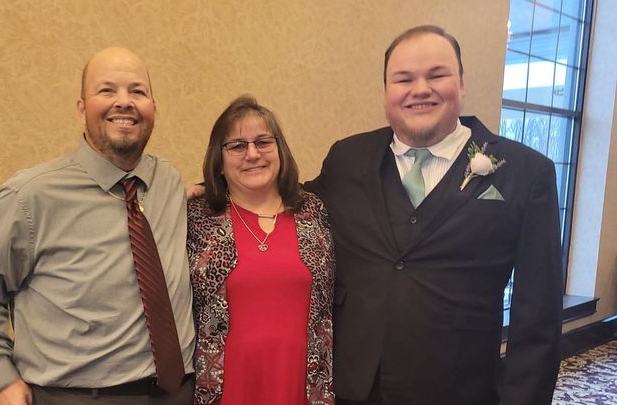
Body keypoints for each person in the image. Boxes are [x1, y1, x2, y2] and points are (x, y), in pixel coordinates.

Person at [304, 25, 563, 405]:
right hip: (354, 388)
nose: (420, 89)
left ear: (462, 84)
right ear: (387, 92)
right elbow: (289, 204)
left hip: (460, 390)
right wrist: (222, 185)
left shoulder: (527, 173)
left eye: (437, 75)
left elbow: (538, 317)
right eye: (403, 79)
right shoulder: (347, 158)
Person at [0, 47, 196, 405]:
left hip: (179, 393)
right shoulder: (30, 196)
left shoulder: (167, 182)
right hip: (77, 396)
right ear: (81, 109)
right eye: (107, 90)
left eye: (137, 91)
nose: (124, 102)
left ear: (153, 109)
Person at [188, 95, 336, 405]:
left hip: (303, 387)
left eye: (263, 142)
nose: (253, 154)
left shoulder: (312, 211)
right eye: (237, 146)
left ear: (280, 150)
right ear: (219, 160)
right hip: (225, 390)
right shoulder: (197, 216)